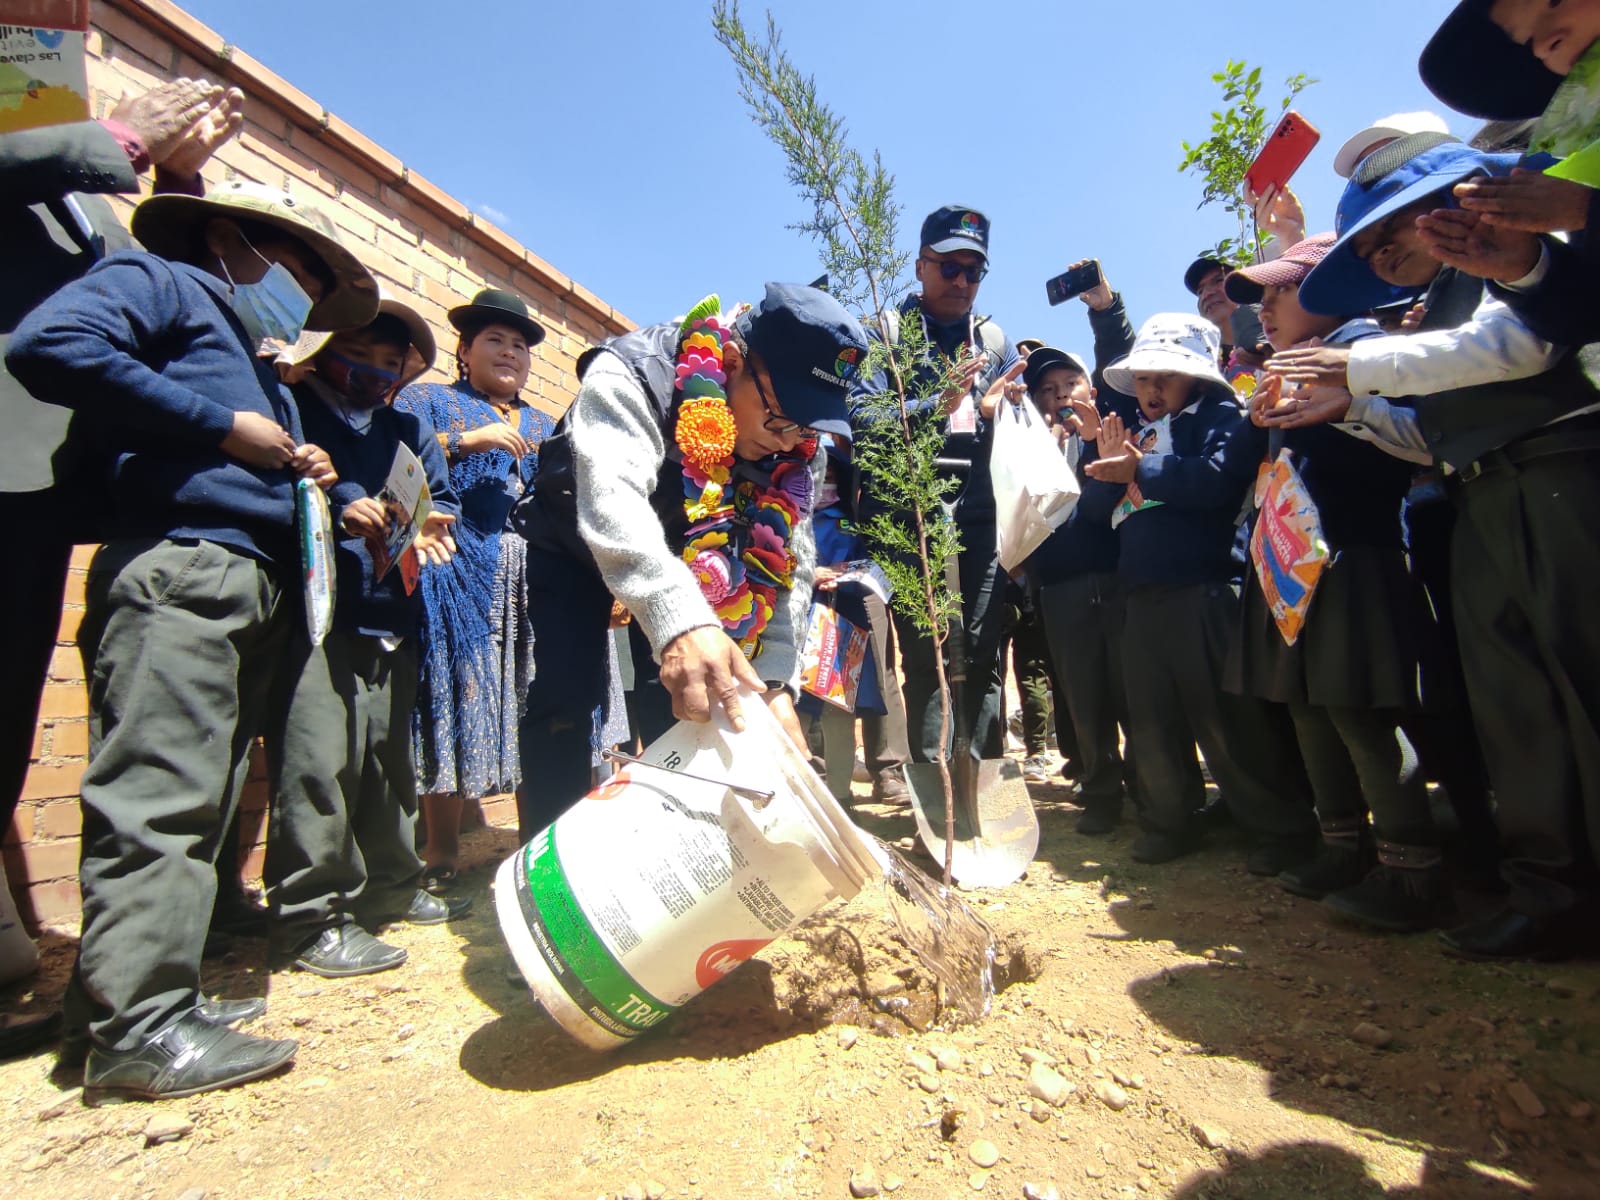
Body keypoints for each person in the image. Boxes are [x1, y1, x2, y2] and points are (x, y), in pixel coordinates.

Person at [7, 180, 380, 1100]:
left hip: (250, 574)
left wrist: (311, 472)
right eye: (293, 273)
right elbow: (45, 345)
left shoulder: (258, 363)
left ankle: (116, 1008)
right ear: (227, 241)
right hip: (184, 566)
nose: (299, 302)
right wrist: (222, 427)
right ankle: (142, 1030)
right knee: (162, 793)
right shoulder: (161, 282)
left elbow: (255, 452)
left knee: (198, 797)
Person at [1271, 136, 1600, 961]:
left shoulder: (1517, 258)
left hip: (1559, 474)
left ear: (1445, 209)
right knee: (1516, 707)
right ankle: (1548, 893)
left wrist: (1359, 366)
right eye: (1372, 253)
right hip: (1478, 492)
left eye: (1390, 239)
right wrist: (1344, 404)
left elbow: (1519, 347)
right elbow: (1426, 437)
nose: (1385, 264)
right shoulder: (1418, 316)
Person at [0, 77, 243, 1061]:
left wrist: (174, 186)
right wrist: (117, 136)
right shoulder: (69, 157)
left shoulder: (89, 221)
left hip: (34, 484)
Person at [513, 284, 868, 829]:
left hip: (690, 557)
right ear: (730, 363)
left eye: (809, 425)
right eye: (779, 418)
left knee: (689, 698)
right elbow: (614, 504)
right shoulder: (630, 373)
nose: (790, 440)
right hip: (575, 540)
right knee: (566, 695)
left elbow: (786, 570)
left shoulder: (799, 448)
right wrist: (680, 623)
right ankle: (548, 868)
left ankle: (671, 846)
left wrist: (771, 685)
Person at [1224, 236, 1448, 933]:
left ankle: (1413, 871)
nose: (1263, 310)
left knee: (1360, 711)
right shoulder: (1281, 367)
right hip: (1295, 571)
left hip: (1358, 554)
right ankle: (1341, 845)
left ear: (1334, 290)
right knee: (1307, 706)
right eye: (1259, 298)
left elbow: (1425, 438)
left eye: (1278, 292)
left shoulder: (1369, 349)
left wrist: (1345, 400)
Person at [267, 295, 472, 978]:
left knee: (389, 763)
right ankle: (311, 916)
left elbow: (440, 501)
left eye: (392, 361)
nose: (377, 370)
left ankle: (392, 884)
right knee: (320, 763)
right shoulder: (296, 407)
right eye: (362, 353)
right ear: (325, 350)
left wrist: (431, 518)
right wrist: (334, 504)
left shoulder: (403, 428)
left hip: (395, 610)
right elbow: (280, 481)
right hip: (324, 611)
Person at [1078, 314, 1316, 869]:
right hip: (1142, 596)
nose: (1151, 388)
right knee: (1152, 719)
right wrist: (1107, 465)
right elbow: (1094, 511)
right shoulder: (1132, 431)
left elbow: (1216, 480)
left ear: (1199, 378)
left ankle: (1278, 827)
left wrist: (1142, 470)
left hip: (1206, 590)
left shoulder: (1223, 417)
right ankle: (1168, 821)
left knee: (1228, 719)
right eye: (1143, 377)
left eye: (1166, 375)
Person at [849, 205, 1022, 767]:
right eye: (949, 267)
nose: (962, 282)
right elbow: (860, 417)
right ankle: (936, 799)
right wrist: (934, 407)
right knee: (927, 657)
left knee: (984, 653)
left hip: (980, 517)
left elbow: (1018, 435)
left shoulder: (996, 343)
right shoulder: (884, 335)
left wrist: (1000, 414)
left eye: (974, 271)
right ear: (920, 266)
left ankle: (984, 790)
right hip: (909, 519)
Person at [393, 290, 553, 885]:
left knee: (529, 697)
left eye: (520, 345)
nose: (510, 352)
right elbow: (392, 467)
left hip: (529, 577)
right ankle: (440, 852)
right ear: (463, 350)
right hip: (452, 567)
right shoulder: (427, 400)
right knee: (452, 696)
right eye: (495, 340)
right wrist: (465, 441)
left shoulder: (543, 423)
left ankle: (535, 843)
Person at [1418, 0, 1600, 347]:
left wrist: (1587, 208)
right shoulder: (1585, 149)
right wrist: (1527, 266)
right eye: (1529, 41)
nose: (1548, 41)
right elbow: (1592, 318)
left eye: (1556, 1)